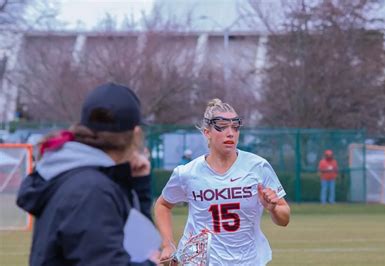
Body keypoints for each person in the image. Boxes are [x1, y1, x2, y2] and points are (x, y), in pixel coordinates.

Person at [16, 83, 157, 265]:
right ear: (135, 133)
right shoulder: (92, 189)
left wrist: (138, 184)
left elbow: (135, 239)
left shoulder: (79, 176)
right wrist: (152, 263)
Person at [154, 98, 290, 265]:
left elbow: (284, 219)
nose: (230, 133)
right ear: (207, 132)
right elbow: (162, 205)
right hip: (200, 261)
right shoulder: (187, 173)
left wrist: (274, 208)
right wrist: (167, 244)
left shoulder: (258, 166)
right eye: (222, 127)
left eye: (235, 127)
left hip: (248, 261)